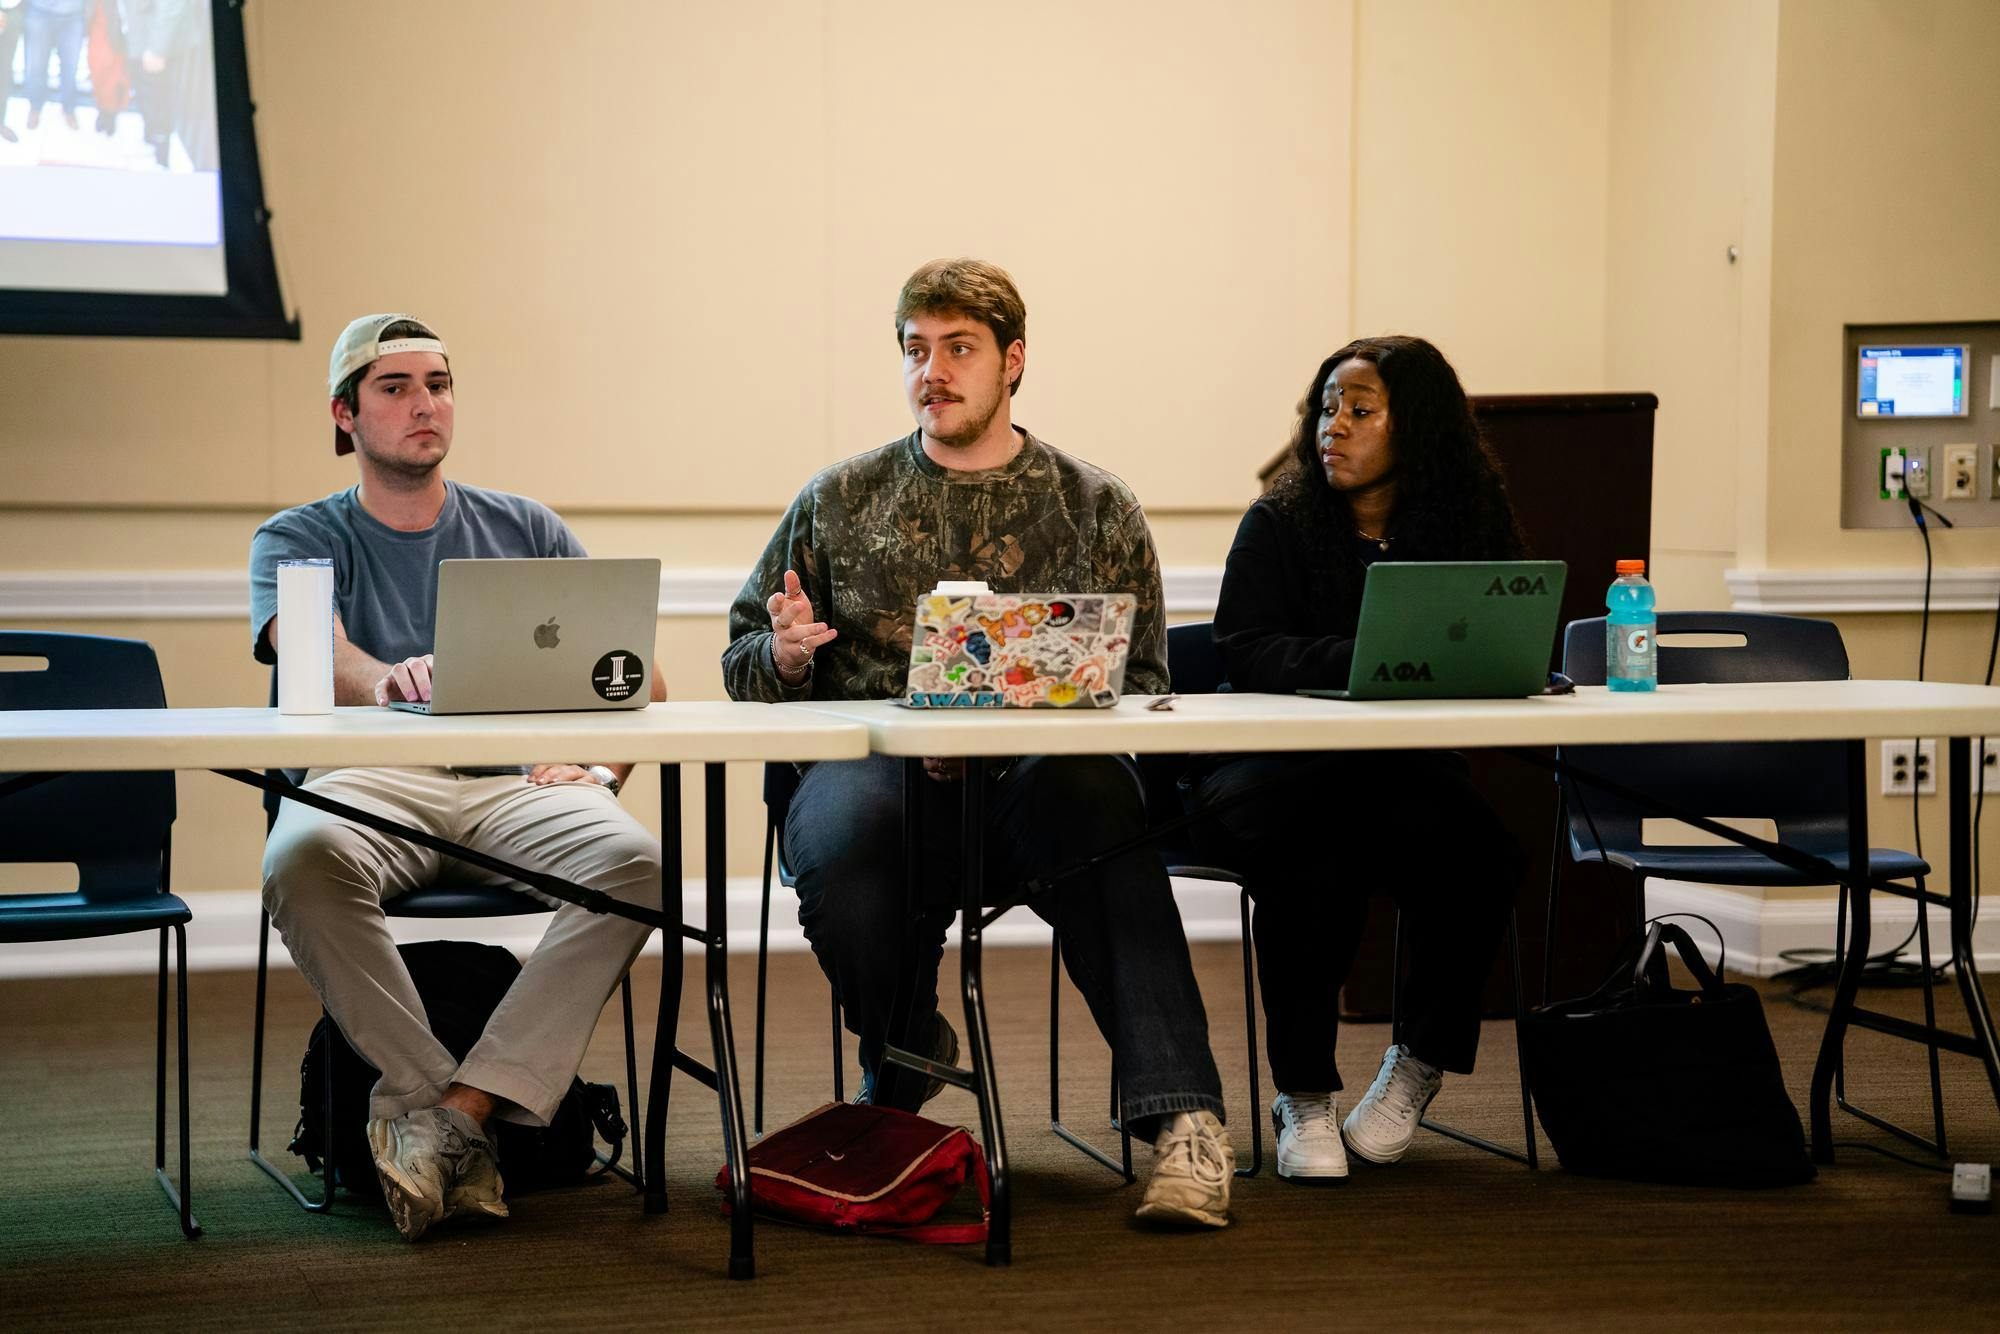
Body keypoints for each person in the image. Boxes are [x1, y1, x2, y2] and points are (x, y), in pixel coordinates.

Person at [723, 258, 1236, 1228]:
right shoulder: (839, 500)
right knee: (837, 841)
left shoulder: (1093, 505)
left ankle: (1184, 1121)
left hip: (1038, 784)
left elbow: (1149, 684)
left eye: (958, 348)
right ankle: (907, 1039)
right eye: (916, 350)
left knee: (1103, 816)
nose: (933, 371)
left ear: (1013, 361)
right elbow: (743, 654)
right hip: (881, 777)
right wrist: (786, 655)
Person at [251, 314, 668, 1242]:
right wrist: (387, 679)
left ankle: (458, 1119)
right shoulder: (294, 536)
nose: (423, 403)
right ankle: (423, 1092)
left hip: (513, 784)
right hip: (369, 779)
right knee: (302, 855)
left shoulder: (525, 525)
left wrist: (598, 767)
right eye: (393, 387)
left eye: (436, 384)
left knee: (636, 863)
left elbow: (637, 674)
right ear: (344, 414)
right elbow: (312, 647)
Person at [1190, 335, 1528, 1181]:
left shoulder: (1468, 520)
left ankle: (1417, 1064)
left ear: (1418, 429)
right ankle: (1303, 1094)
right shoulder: (1281, 520)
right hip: (1274, 769)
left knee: (1482, 851)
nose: (1334, 427)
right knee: (1317, 857)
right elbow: (1245, 649)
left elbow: (1502, 633)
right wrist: (1369, 660)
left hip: (1401, 767)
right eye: (1328, 409)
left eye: (1361, 410)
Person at [22, 0, 85, 131]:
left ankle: (68, 108)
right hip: (39, 11)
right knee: (36, 66)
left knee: (70, 66)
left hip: (73, 14)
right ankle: (36, 105)